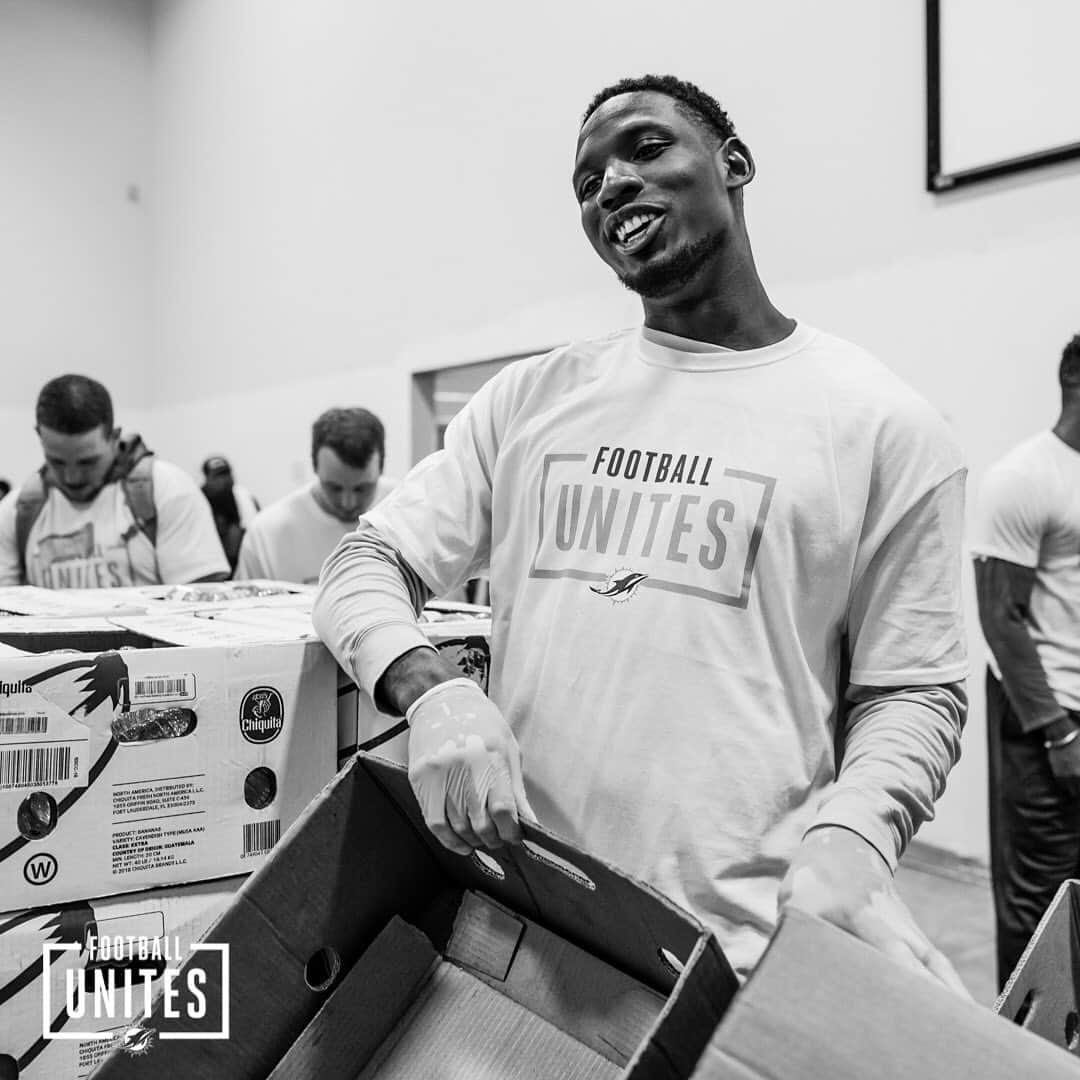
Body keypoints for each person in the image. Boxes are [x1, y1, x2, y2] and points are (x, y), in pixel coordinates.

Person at [313, 75, 969, 987]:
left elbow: (916, 692)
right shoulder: (533, 399)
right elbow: (362, 565)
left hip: (737, 956)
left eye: (647, 149)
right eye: (587, 181)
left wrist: (853, 838)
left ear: (733, 164)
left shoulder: (883, 425)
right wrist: (431, 692)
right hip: (523, 926)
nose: (611, 184)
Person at [971, 332, 1080, 990]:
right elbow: (999, 617)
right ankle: (1024, 1042)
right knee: (1038, 896)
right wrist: (1059, 732)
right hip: (1048, 718)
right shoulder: (1024, 477)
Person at [0, 374, 229, 588]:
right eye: (57, 462)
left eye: (87, 462)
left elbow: (203, 611)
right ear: (40, 437)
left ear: (114, 437)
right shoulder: (16, 511)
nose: (72, 478)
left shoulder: (168, 490)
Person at [235, 407, 394, 584]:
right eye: (334, 488)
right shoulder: (266, 534)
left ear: (382, 466)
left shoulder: (408, 515)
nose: (348, 503)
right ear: (314, 465)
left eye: (362, 489)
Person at [201, 455, 260, 573]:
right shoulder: (199, 500)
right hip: (210, 564)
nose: (224, 480)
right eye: (218, 476)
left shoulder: (244, 498)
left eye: (226, 474)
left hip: (239, 562)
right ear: (207, 478)